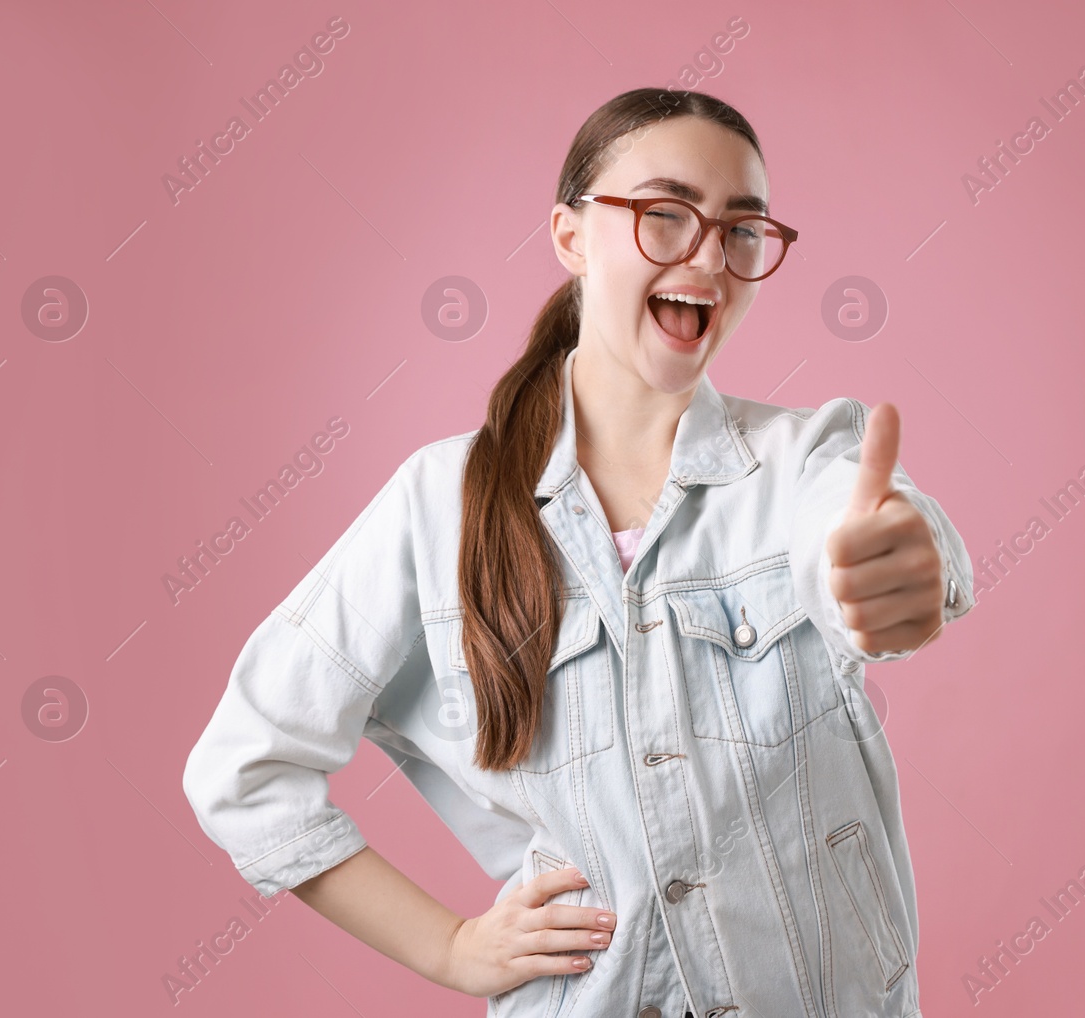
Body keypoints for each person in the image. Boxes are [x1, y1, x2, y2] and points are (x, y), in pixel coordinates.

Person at [183, 86, 975, 1018]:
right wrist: (450, 949)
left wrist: (889, 572)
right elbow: (244, 769)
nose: (708, 257)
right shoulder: (439, 504)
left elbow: (860, 530)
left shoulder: (804, 461)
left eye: (741, 232)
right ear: (570, 237)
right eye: (665, 216)